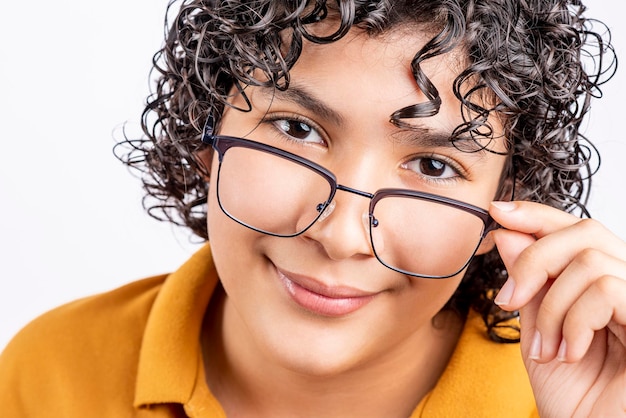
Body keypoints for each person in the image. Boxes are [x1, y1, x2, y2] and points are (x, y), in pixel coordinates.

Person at [1, 0, 625, 416]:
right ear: (205, 135)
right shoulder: (52, 374)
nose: (342, 236)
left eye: (434, 166)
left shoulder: (577, 393)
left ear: (505, 214)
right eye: (297, 131)